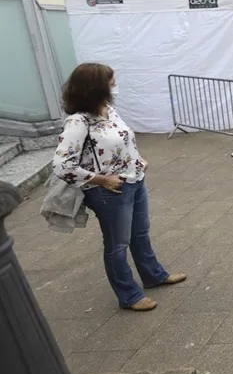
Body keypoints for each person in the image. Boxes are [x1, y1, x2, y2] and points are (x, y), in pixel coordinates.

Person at [52, 63, 185, 311]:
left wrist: (138, 160)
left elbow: (123, 138)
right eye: (111, 80)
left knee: (140, 233)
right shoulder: (78, 122)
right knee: (117, 244)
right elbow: (61, 165)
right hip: (108, 191)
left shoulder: (108, 110)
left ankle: (154, 275)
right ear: (97, 86)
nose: (114, 84)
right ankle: (129, 296)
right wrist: (102, 180)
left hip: (133, 180)